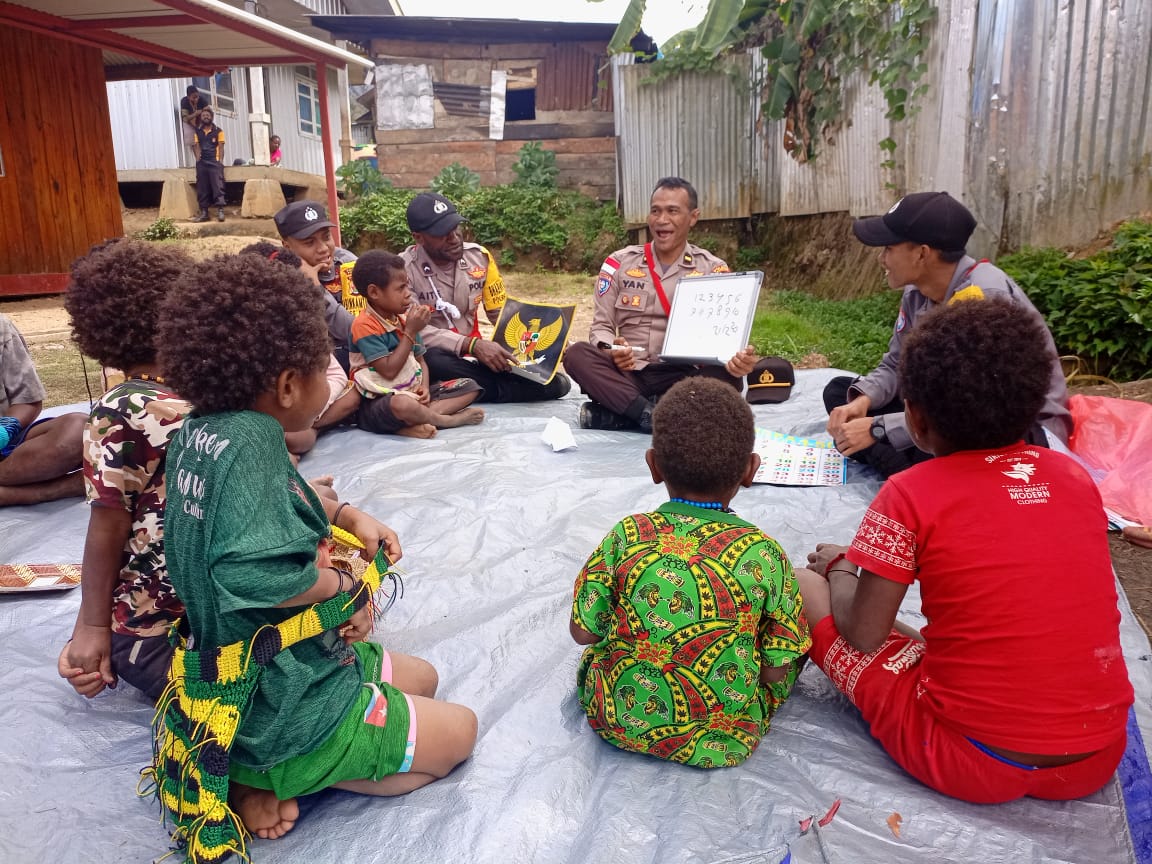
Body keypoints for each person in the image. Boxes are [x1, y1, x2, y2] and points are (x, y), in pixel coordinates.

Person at [157, 253, 477, 840]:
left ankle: (281, 759)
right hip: (280, 694)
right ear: (287, 385)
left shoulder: (207, 429)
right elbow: (251, 574)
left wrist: (349, 515)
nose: (331, 380)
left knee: (425, 677)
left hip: (259, 663)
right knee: (462, 733)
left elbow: (274, 499)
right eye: (321, 368)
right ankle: (279, 772)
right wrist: (341, 586)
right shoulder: (254, 444)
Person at [796, 299, 1133, 804]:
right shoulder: (1073, 477)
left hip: (969, 758)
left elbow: (863, 634)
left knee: (805, 585)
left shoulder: (910, 493)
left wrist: (843, 566)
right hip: (1096, 757)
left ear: (914, 417)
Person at [570, 377, 810, 768]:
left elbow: (584, 633)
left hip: (612, 719)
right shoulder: (765, 554)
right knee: (795, 643)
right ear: (750, 470)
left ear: (653, 465)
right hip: (724, 740)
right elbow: (772, 672)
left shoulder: (627, 534)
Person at [824, 190, 1072, 477]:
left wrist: (878, 428)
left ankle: (912, 475)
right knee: (840, 393)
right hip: (950, 414)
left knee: (924, 438)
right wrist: (863, 400)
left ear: (922, 253)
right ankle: (913, 468)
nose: (882, 259)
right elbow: (895, 364)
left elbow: (975, 409)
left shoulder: (982, 299)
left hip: (1012, 429)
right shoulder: (917, 292)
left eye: (889, 248)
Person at [55, 241, 193, 701]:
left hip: (178, 614)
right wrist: (92, 626)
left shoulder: (131, 404)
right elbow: (111, 527)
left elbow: (110, 525)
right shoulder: (152, 403)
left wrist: (93, 628)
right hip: (182, 617)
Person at [565, 177, 758, 433]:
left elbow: (724, 339)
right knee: (576, 355)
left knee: (726, 377)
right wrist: (612, 350)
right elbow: (601, 327)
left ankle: (626, 415)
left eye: (672, 211)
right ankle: (654, 416)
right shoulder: (618, 263)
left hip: (683, 377)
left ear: (693, 217)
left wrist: (737, 360)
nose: (661, 220)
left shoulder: (713, 270)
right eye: (655, 211)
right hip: (629, 374)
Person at [401, 192, 570, 403]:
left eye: (455, 227)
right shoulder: (403, 271)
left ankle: (473, 389)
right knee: (433, 360)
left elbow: (501, 314)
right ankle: (509, 390)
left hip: (475, 358)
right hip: (439, 356)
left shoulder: (479, 258)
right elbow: (413, 330)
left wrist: (552, 343)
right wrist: (471, 345)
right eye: (442, 233)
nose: (454, 238)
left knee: (549, 379)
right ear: (418, 237)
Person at [239, 241, 361, 457]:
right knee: (296, 437)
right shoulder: (241, 336)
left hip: (296, 409)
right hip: (267, 414)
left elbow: (335, 374)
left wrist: (311, 415)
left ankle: (308, 428)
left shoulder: (303, 326)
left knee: (354, 395)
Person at [350, 250, 485, 438]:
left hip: (411, 390)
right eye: (400, 289)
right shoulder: (364, 325)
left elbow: (421, 361)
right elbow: (388, 371)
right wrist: (410, 332)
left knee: (470, 387)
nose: (408, 295)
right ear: (374, 292)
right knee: (402, 405)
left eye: (407, 286)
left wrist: (424, 388)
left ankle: (417, 420)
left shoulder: (404, 319)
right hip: (380, 399)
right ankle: (446, 420)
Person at [0, 315, 86, 507]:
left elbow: (27, 401)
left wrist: (5, 430)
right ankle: (54, 490)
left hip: (5, 449)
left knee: (78, 427)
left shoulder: (1, 327)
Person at [274, 200, 358, 372]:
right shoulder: (282, 279)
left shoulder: (347, 263)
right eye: (309, 242)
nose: (323, 248)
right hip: (316, 367)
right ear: (287, 247)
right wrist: (313, 286)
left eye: (326, 237)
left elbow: (356, 329)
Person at [192, 106, 226, 223]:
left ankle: (220, 210)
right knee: (202, 187)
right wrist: (198, 160)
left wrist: (220, 161)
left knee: (218, 185)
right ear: (201, 118)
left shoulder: (219, 131)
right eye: (203, 115)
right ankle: (204, 212)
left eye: (207, 115)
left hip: (214, 162)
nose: (205, 117)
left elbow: (221, 147)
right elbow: (196, 146)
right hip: (202, 163)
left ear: (212, 117)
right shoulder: (198, 131)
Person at [178, 85, 204, 164]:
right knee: (194, 143)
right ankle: (199, 161)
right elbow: (185, 118)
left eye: (197, 97)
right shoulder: (184, 102)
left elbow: (208, 111)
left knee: (202, 141)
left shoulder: (201, 99)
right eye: (194, 97)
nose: (196, 99)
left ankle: (203, 160)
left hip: (199, 123)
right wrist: (196, 114)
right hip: (189, 123)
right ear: (188, 97)